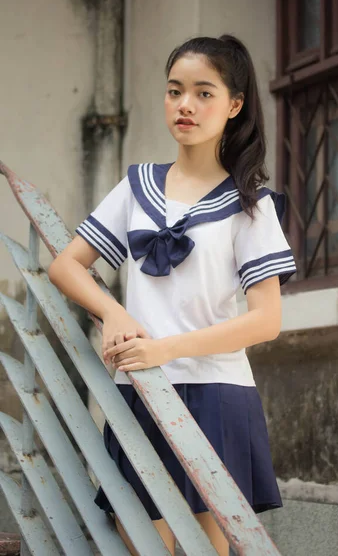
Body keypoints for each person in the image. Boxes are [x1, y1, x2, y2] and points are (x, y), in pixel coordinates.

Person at [48, 34, 296, 556]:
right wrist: (112, 311)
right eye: (175, 90)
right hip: (139, 389)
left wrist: (166, 348)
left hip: (217, 393)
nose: (185, 105)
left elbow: (266, 321)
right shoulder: (137, 186)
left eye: (204, 93)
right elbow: (66, 265)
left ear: (234, 105)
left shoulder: (250, 204)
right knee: (138, 542)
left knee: (209, 547)